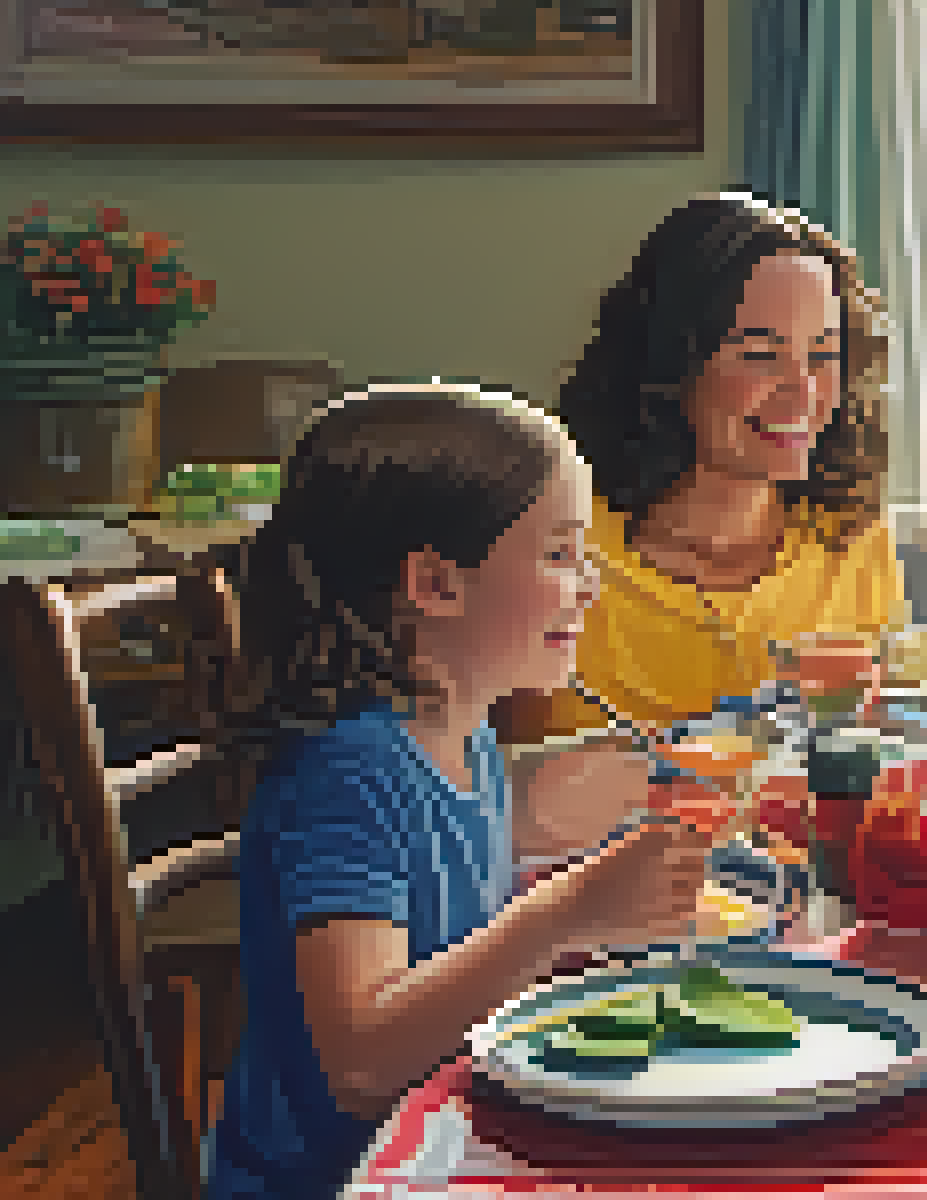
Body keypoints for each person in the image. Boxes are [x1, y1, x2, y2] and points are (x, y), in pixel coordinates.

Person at [208, 383, 713, 1198]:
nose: (590, 584)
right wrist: (566, 913)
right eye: (558, 555)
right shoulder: (348, 772)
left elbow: (461, 866)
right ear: (435, 585)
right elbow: (362, 1061)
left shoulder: (460, 737)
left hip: (451, 1142)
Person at [497, 194, 905, 852]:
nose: (803, 392)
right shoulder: (544, 542)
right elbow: (442, 789)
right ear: (669, 365)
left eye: (823, 354)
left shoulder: (851, 537)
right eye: (760, 354)